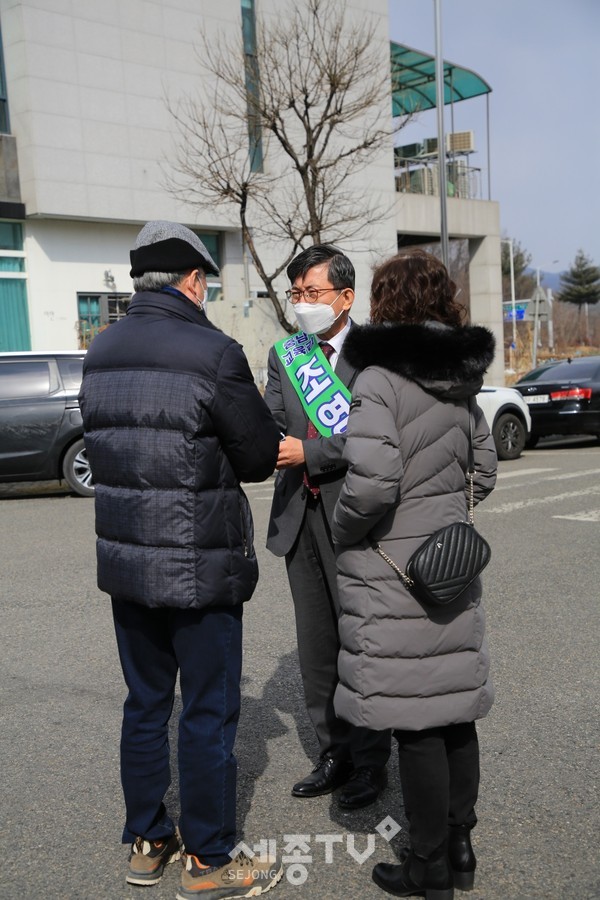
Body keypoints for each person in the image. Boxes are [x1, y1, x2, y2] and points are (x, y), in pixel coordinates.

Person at [79, 221, 282, 900]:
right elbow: (257, 455)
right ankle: (209, 859)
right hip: (199, 564)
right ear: (193, 280)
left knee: (144, 703)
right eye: (206, 282)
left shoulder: (101, 350)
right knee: (206, 711)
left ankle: (147, 840)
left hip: (128, 562)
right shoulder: (213, 352)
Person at [331, 249, 498, 899]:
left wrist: (345, 530)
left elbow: (372, 484)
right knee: (455, 714)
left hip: (393, 571)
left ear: (385, 302)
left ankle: (428, 868)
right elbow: (484, 470)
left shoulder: (377, 379)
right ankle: (460, 848)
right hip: (449, 567)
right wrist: (448, 517)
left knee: (418, 724)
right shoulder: (460, 377)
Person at [264, 244, 390, 808]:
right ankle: (333, 752)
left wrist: (310, 452)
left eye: (312, 292)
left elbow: (376, 436)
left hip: (355, 517)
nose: (302, 304)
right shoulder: (286, 355)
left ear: (345, 297)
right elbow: (271, 420)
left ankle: (371, 760)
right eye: (296, 293)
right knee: (315, 646)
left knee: (360, 641)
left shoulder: (375, 356)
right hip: (299, 514)